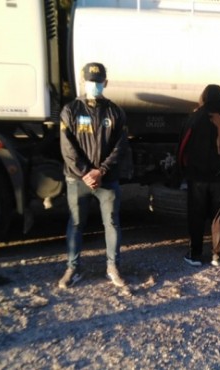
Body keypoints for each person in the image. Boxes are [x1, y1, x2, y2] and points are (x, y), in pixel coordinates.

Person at [58, 62, 129, 289]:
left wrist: (102, 171)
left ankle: (112, 267)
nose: (94, 85)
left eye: (98, 82)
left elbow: (120, 146)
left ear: (105, 83)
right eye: (91, 81)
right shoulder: (70, 111)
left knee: (111, 223)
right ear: (83, 82)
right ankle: (73, 268)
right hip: (77, 179)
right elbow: (67, 147)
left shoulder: (115, 112)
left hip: (106, 180)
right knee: (76, 223)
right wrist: (86, 172)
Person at [177, 84, 220, 267]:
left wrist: (183, 171)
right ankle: (218, 255)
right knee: (218, 216)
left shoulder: (194, 118)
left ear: (203, 97)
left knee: (196, 214)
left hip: (197, 177)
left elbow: (182, 148)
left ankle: (195, 254)